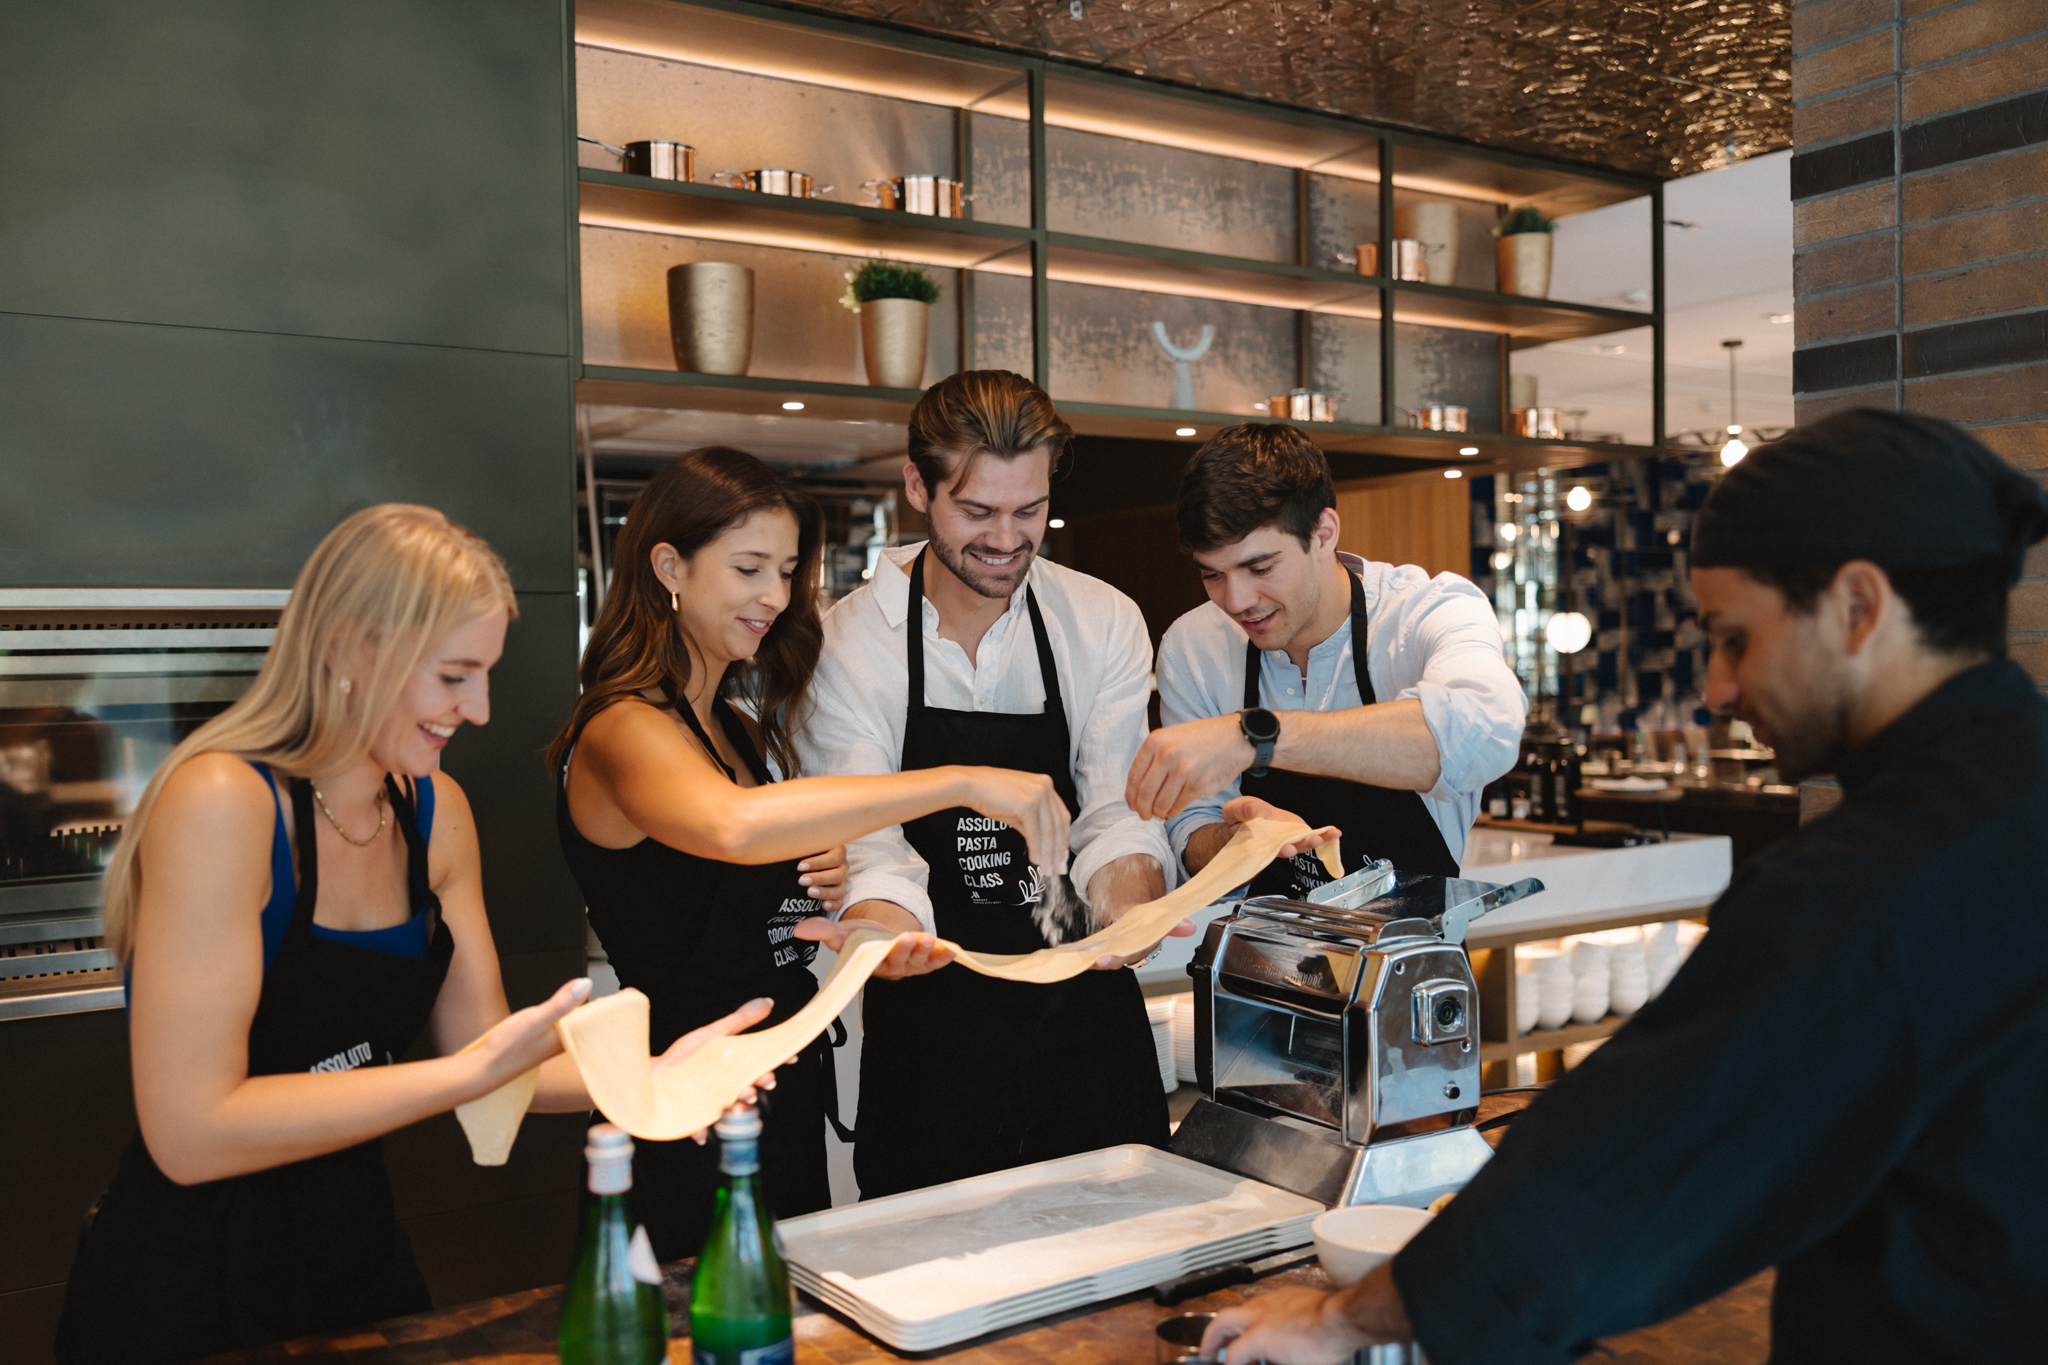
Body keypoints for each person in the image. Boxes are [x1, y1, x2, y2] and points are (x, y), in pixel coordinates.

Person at [1202, 410, 2048, 1365]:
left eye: (1734, 637)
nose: (1719, 688)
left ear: (1857, 606)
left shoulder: (1882, 877)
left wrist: (1339, 1318)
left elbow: (1641, 1158)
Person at [53, 505, 776, 1365]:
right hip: (183, 1287)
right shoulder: (223, 802)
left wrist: (648, 1079)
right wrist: (460, 1075)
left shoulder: (435, 815)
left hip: (355, 1255)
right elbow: (191, 1131)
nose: (477, 710)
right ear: (351, 650)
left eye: (485, 675)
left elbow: (489, 1056)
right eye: (453, 676)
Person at [551, 446, 1072, 1256]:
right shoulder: (622, 727)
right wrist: (958, 781)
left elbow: (746, 856)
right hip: (678, 1103)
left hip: (780, 1094)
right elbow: (729, 827)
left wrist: (820, 882)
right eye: (750, 568)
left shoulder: (740, 730)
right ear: (669, 565)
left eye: (788, 570)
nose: (775, 596)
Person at [798, 370, 1182, 1198]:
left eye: (1029, 511)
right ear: (917, 488)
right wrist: (883, 935)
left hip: (1088, 1030)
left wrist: (1133, 905)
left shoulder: (1102, 618)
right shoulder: (849, 644)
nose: (1007, 539)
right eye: (977, 512)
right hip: (934, 1044)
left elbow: (1115, 813)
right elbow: (874, 848)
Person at [1127, 423, 1525, 891]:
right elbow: (1191, 830)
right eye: (1213, 575)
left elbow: (1484, 735)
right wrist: (1236, 840)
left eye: (1261, 567)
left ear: (1323, 533)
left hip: (1410, 955)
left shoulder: (1427, 612)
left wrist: (1256, 739)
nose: (1236, 600)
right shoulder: (1194, 647)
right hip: (1263, 955)